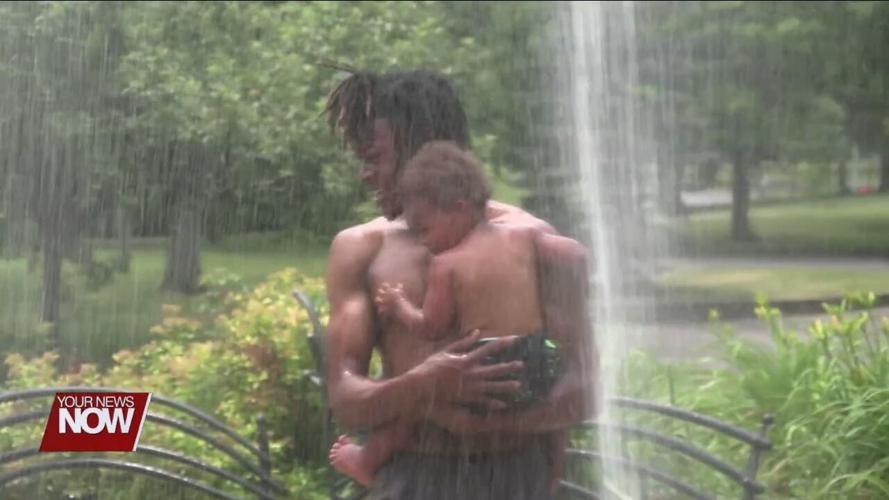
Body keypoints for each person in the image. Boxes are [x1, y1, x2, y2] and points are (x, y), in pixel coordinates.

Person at [323, 69, 597, 499]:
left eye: (375, 157)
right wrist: (424, 385)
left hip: (516, 479)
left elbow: (585, 389)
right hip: (411, 479)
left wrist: (488, 425)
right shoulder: (362, 251)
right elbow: (345, 398)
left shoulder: (532, 244)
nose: (365, 174)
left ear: (423, 153)